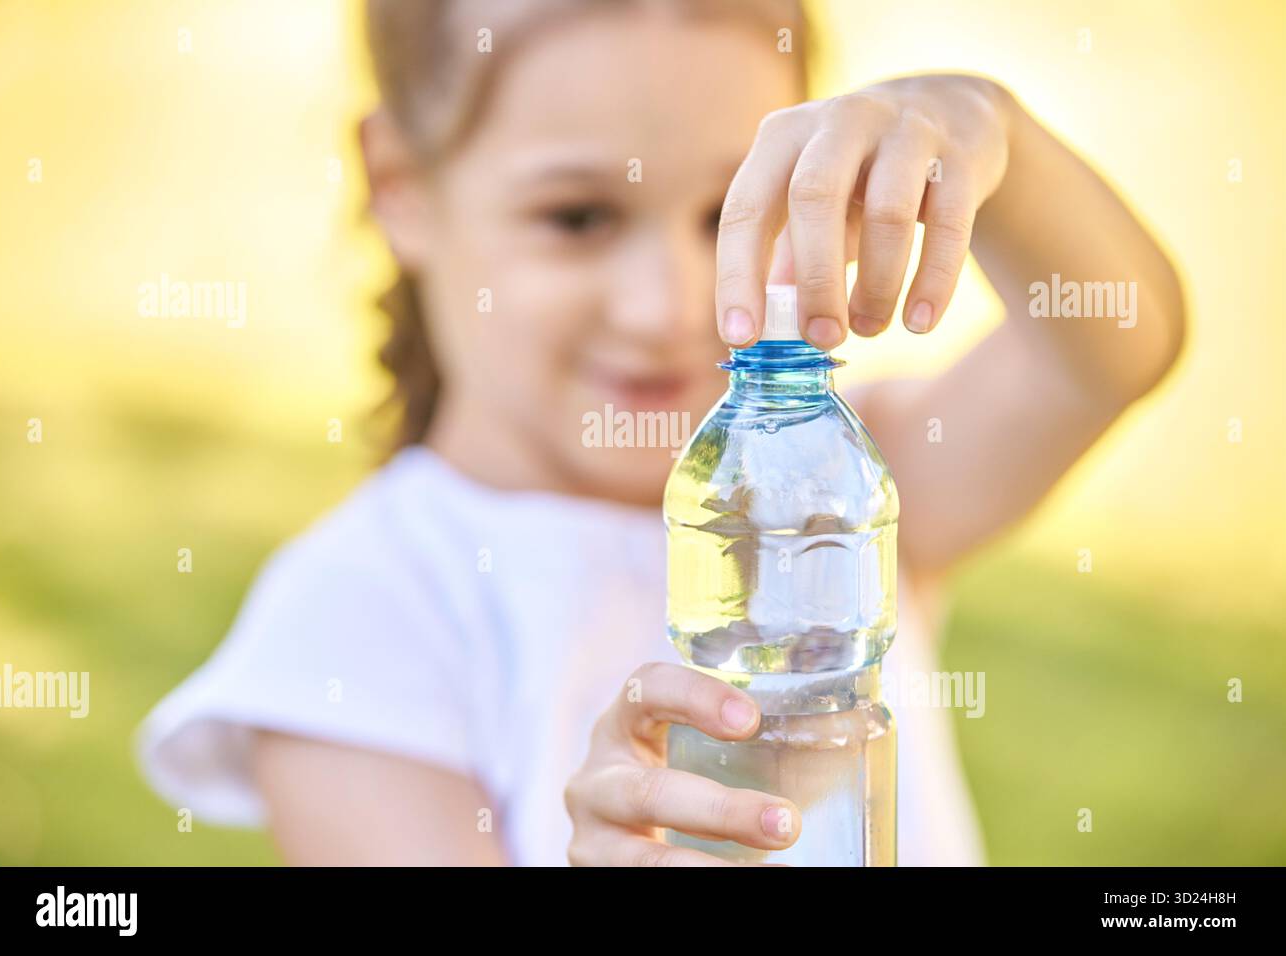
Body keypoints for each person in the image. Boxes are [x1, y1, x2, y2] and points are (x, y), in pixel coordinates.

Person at [136, 0, 1185, 866]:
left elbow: (1112, 344)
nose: (666, 306)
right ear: (401, 187)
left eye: (729, 212)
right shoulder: (360, 615)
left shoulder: (843, 479)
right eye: (578, 217)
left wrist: (988, 129)